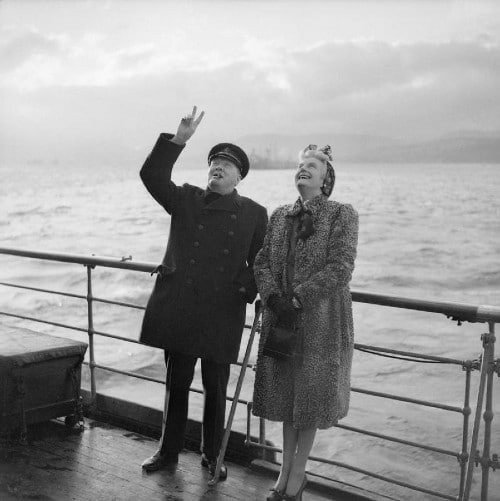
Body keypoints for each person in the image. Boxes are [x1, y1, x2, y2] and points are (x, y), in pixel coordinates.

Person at [139, 107, 268, 479]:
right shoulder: (185, 198)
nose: (218, 168)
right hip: (181, 306)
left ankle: (213, 456)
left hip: (221, 311)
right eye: (214, 163)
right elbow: (151, 175)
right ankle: (168, 452)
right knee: (176, 382)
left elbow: (263, 261)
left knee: (216, 388)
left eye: (227, 165)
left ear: (239, 176)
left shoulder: (254, 213)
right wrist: (178, 141)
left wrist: (244, 289)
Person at [252, 144, 359, 500]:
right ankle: (284, 471)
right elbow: (262, 260)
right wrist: (273, 298)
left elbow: (341, 267)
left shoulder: (341, 214)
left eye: (312, 166)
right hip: (282, 318)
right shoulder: (280, 214)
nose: (303, 170)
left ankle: (298, 474)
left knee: (310, 399)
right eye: (300, 165)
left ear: (326, 178)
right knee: (285, 396)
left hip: (321, 321)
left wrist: (299, 297)